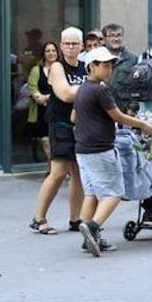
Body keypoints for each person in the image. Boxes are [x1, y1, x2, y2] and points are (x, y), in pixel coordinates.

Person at [72, 46, 152, 256]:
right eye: (105, 65)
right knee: (114, 193)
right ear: (91, 66)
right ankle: (93, 228)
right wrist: (142, 124)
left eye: (111, 65)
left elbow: (74, 117)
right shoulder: (100, 90)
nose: (109, 69)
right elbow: (117, 116)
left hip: (83, 148)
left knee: (92, 193)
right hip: (100, 149)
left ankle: (89, 238)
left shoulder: (83, 89)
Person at [29, 27, 88, 236]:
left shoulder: (85, 67)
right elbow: (64, 94)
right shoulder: (57, 67)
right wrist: (91, 87)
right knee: (58, 172)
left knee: (79, 174)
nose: (71, 47)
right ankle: (39, 218)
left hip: (80, 126)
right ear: (61, 46)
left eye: (75, 43)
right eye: (67, 43)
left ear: (81, 46)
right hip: (59, 124)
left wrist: (85, 89)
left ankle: (75, 218)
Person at [25, 42, 59, 163]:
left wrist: (48, 98)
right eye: (48, 51)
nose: (51, 53)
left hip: (58, 111)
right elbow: (34, 91)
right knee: (45, 140)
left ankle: (53, 170)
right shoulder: (36, 70)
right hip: (41, 112)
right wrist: (48, 98)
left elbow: (64, 90)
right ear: (43, 54)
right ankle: (53, 166)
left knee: (58, 141)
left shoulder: (62, 69)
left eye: (53, 50)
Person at [101, 23, 138, 112]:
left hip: (125, 111)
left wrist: (133, 107)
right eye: (111, 36)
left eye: (119, 35)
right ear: (105, 39)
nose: (116, 39)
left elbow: (137, 86)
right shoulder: (98, 58)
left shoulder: (133, 59)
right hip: (102, 110)